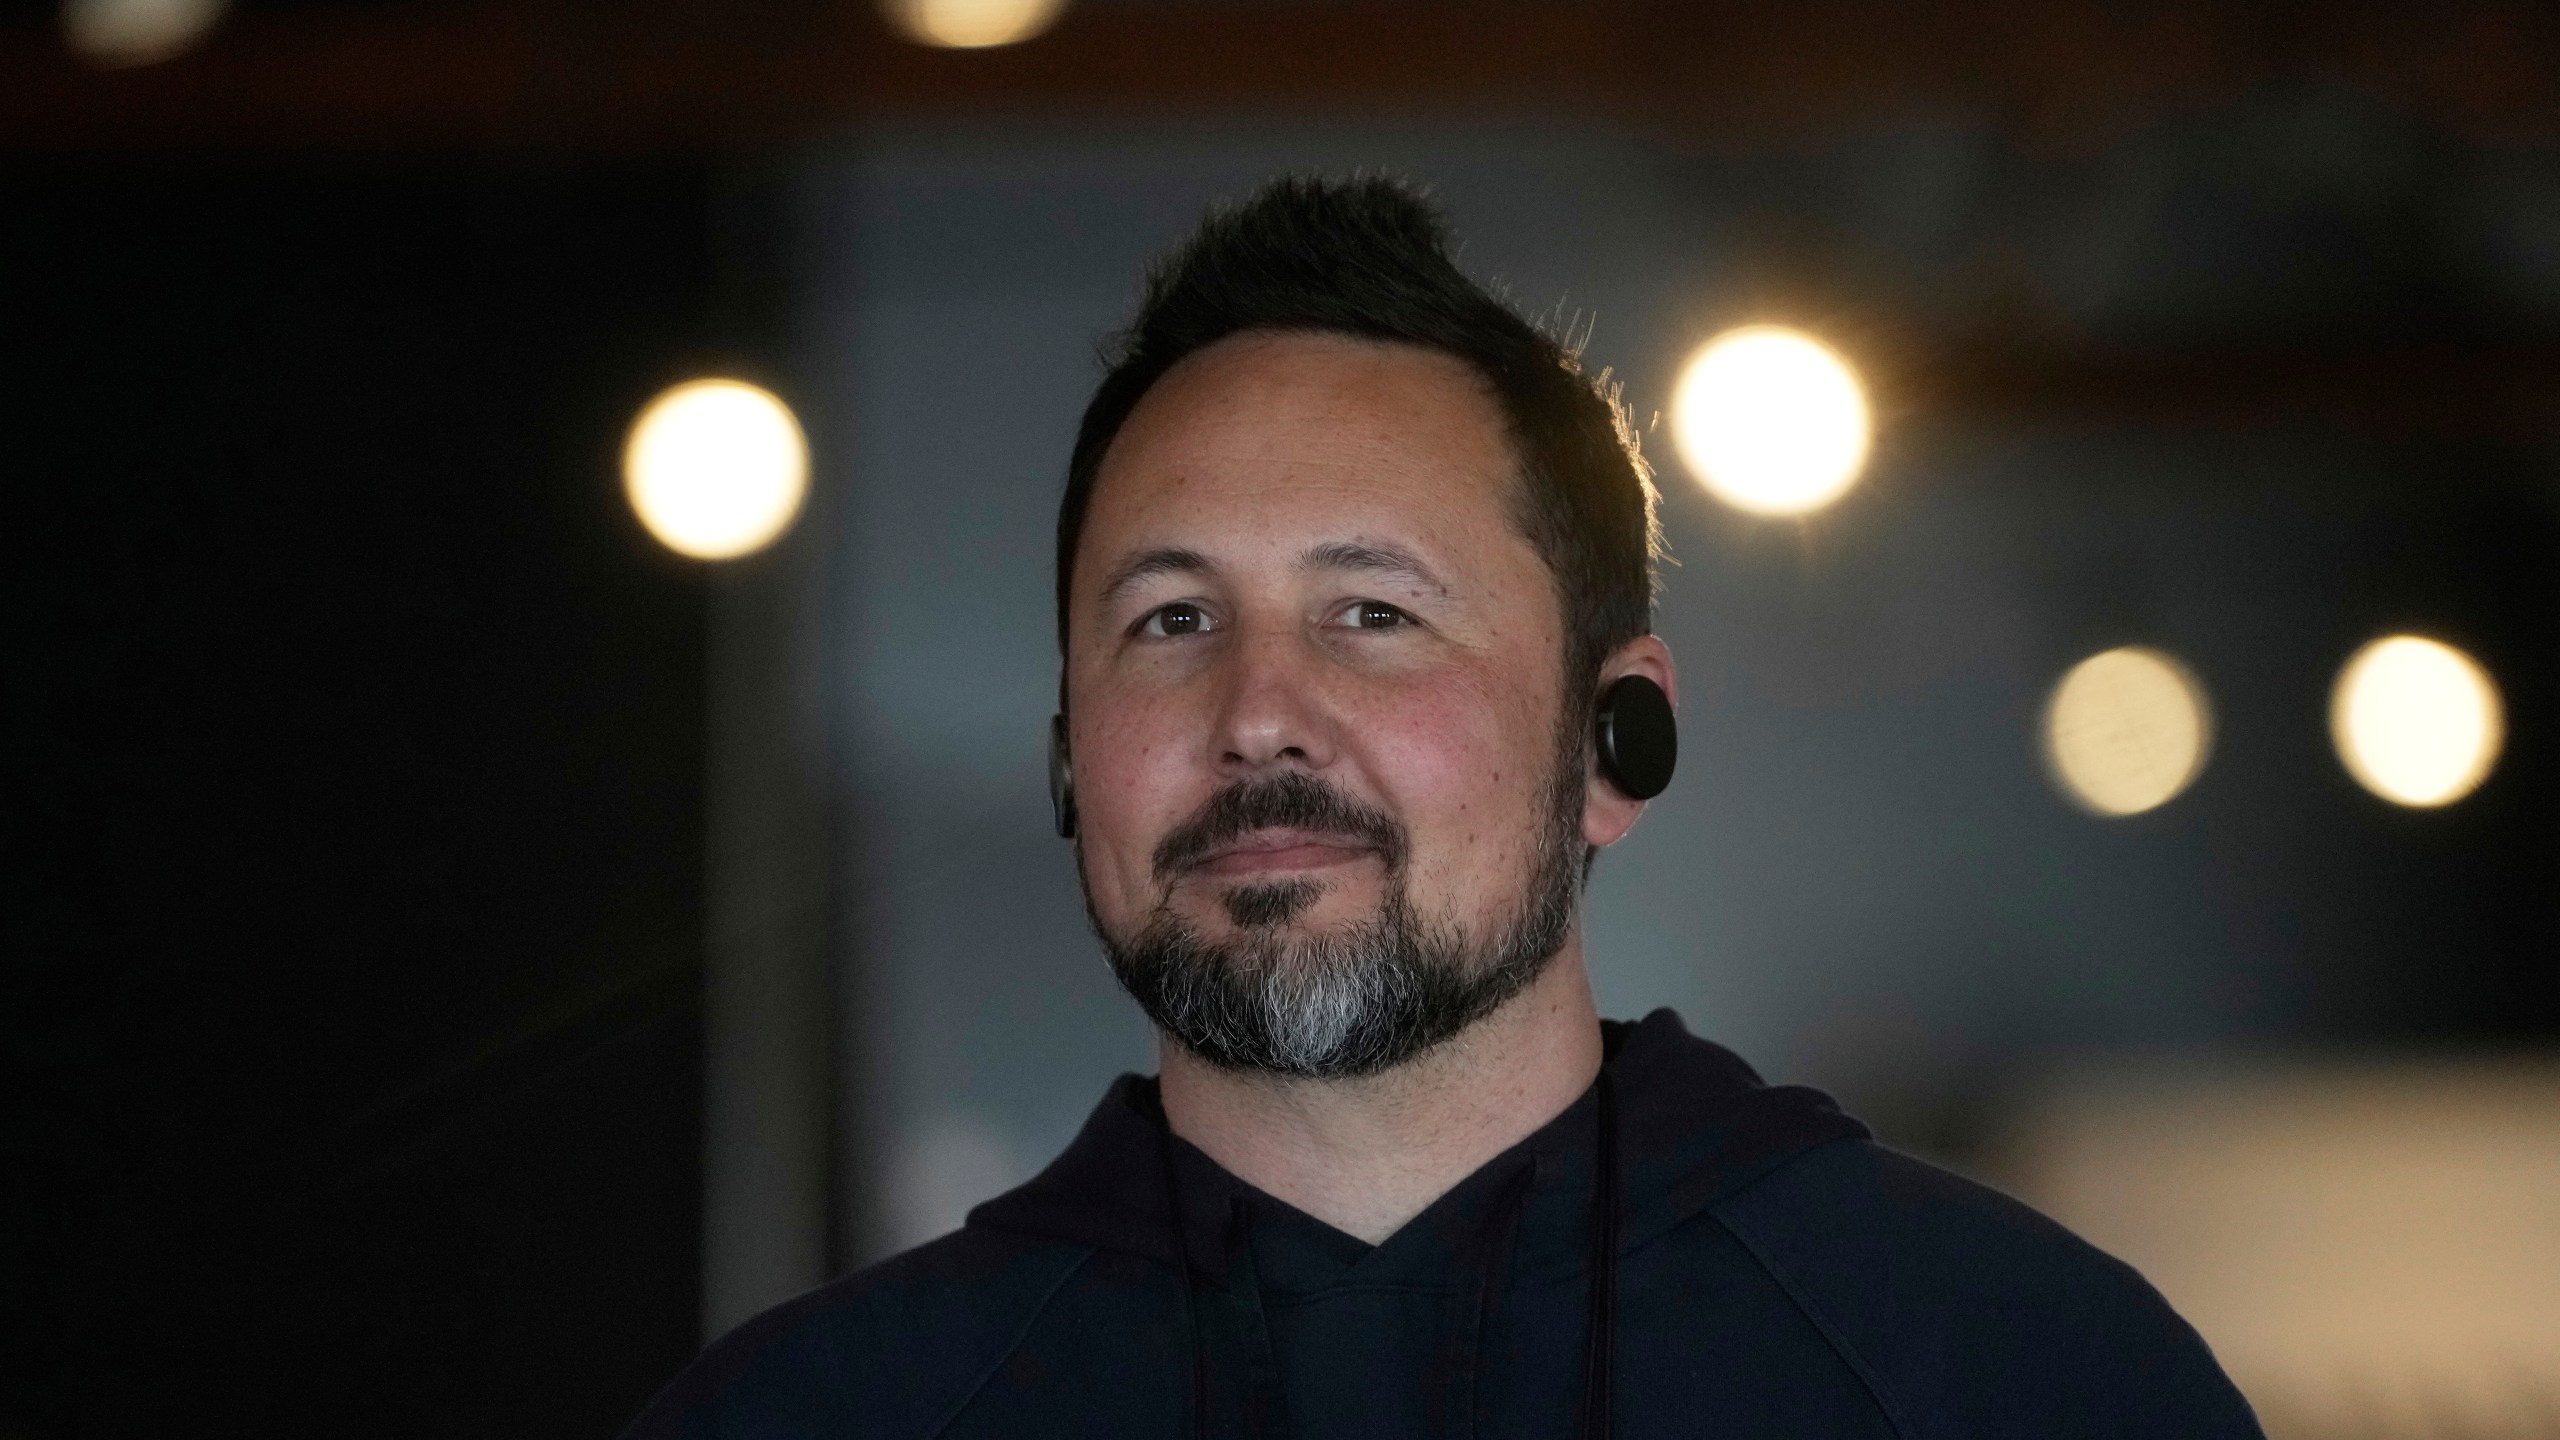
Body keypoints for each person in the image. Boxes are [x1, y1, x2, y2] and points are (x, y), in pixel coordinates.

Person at [626, 175, 2262, 1440]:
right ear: (1074, 764)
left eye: (1375, 612)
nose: (1259, 711)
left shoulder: (2015, 1376)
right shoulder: (813, 1418)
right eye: (1170, 621)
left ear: (1616, 744)